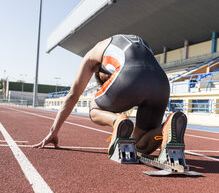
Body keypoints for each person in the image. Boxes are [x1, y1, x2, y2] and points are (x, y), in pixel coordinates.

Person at [34, 34, 187, 156]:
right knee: (140, 147)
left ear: (98, 68)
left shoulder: (91, 56)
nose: (106, 80)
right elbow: (145, 71)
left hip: (129, 76)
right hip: (161, 83)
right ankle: (166, 128)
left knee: (93, 109)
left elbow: (73, 95)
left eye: (103, 78)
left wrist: (53, 131)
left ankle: (117, 121)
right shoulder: (137, 41)